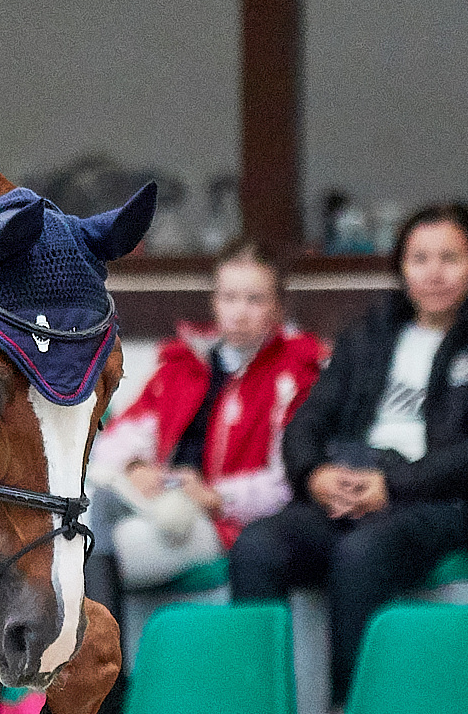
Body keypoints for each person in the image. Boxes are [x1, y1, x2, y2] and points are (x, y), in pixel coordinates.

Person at [229, 202, 468, 714]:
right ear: (400, 267)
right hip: (353, 486)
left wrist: (394, 487)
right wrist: (315, 477)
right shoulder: (372, 331)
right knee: (257, 548)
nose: (434, 272)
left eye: (450, 258)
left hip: (449, 501)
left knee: (360, 553)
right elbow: (306, 423)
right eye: (419, 258)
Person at [85, 241, 325, 601]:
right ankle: (100, 653)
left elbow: (288, 480)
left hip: (226, 521)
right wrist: (135, 467)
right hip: (163, 499)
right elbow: (121, 437)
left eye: (254, 300)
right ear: (214, 302)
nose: (239, 312)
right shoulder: (186, 362)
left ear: (277, 306)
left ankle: (106, 653)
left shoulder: (296, 371)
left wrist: (215, 497)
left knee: (114, 546)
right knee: (83, 512)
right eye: (229, 298)